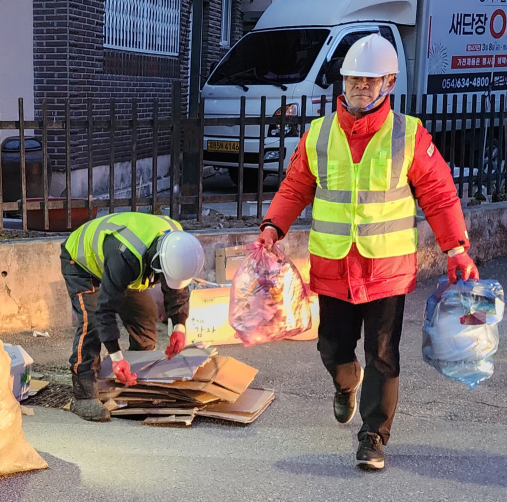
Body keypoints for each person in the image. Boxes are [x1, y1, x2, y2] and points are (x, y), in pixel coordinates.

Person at [256, 34, 479, 470]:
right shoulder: (319, 133)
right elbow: (296, 184)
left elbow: (439, 194)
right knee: (331, 347)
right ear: (343, 81)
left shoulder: (408, 135)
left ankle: (374, 435)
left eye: (370, 79)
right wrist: (272, 226)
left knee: (383, 354)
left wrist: (456, 249)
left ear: (389, 82)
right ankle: (345, 383)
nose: (360, 86)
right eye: (354, 78)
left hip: (386, 268)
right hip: (334, 264)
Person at [60, 212, 205, 422]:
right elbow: (105, 310)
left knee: (144, 314)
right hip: (81, 262)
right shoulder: (126, 255)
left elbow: (177, 289)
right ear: (157, 262)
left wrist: (179, 327)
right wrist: (116, 357)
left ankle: (139, 374)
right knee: (90, 321)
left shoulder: (178, 244)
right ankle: (83, 394)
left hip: (120, 262)